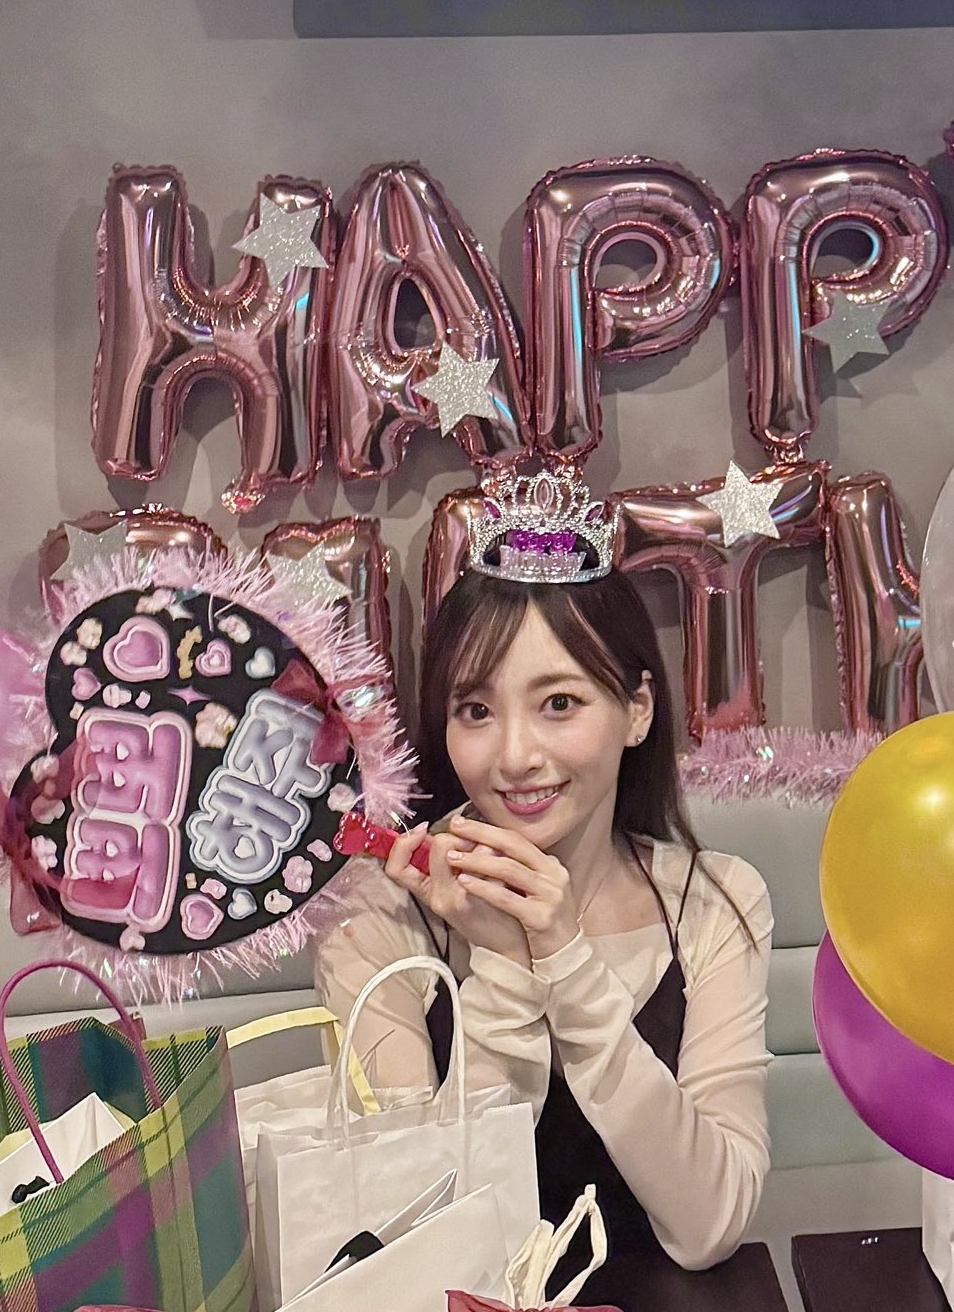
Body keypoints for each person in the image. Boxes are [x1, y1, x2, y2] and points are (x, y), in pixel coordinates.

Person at [315, 468, 772, 1270]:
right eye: (475, 710)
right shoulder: (377, 916)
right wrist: (501, 962)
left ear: (635, 710)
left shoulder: (715, 901)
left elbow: (710, 1224)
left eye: (558, 703)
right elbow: (420, 1239)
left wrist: (563, 961)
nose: (515, 756)